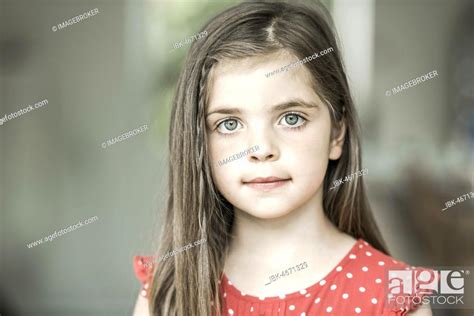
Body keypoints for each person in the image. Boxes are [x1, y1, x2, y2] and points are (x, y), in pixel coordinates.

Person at [133, 1, 434, 315]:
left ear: (336, 134)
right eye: (229, 124)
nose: (261, 149)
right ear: (200, 142)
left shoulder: (395, 296)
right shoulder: (167, 293)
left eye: (291, 118)